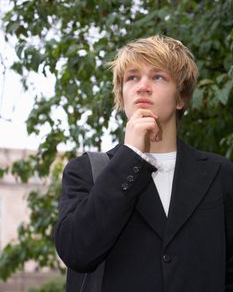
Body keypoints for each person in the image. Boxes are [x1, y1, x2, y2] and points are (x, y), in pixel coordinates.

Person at [54, 35, 233, 292]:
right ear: (122, 95)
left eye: (158, 77)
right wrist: (131, 157)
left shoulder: (220, 173)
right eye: (132, 77)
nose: (143, 86)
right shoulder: (85, 172)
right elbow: (76, 252)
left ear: (180, 98)